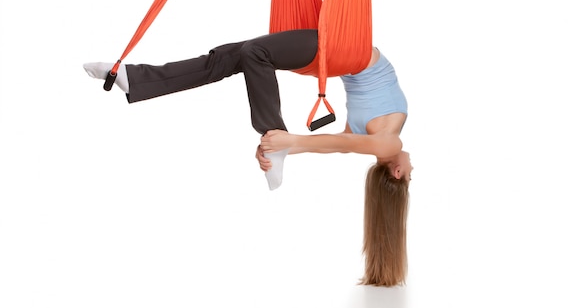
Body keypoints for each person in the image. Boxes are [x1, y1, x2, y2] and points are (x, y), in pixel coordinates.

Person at [84, 27, 412, 286]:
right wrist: (288, 144)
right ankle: (138, 79)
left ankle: (138, 80)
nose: (413, 168)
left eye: (412, 175)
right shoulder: (378, 140)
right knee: (243, 54)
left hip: (343, 50)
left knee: (250, 53)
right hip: (343, 50)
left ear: (397, 173)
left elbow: (340, 144)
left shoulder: (388, 146)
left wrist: (281, 143)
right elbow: (337, 144)